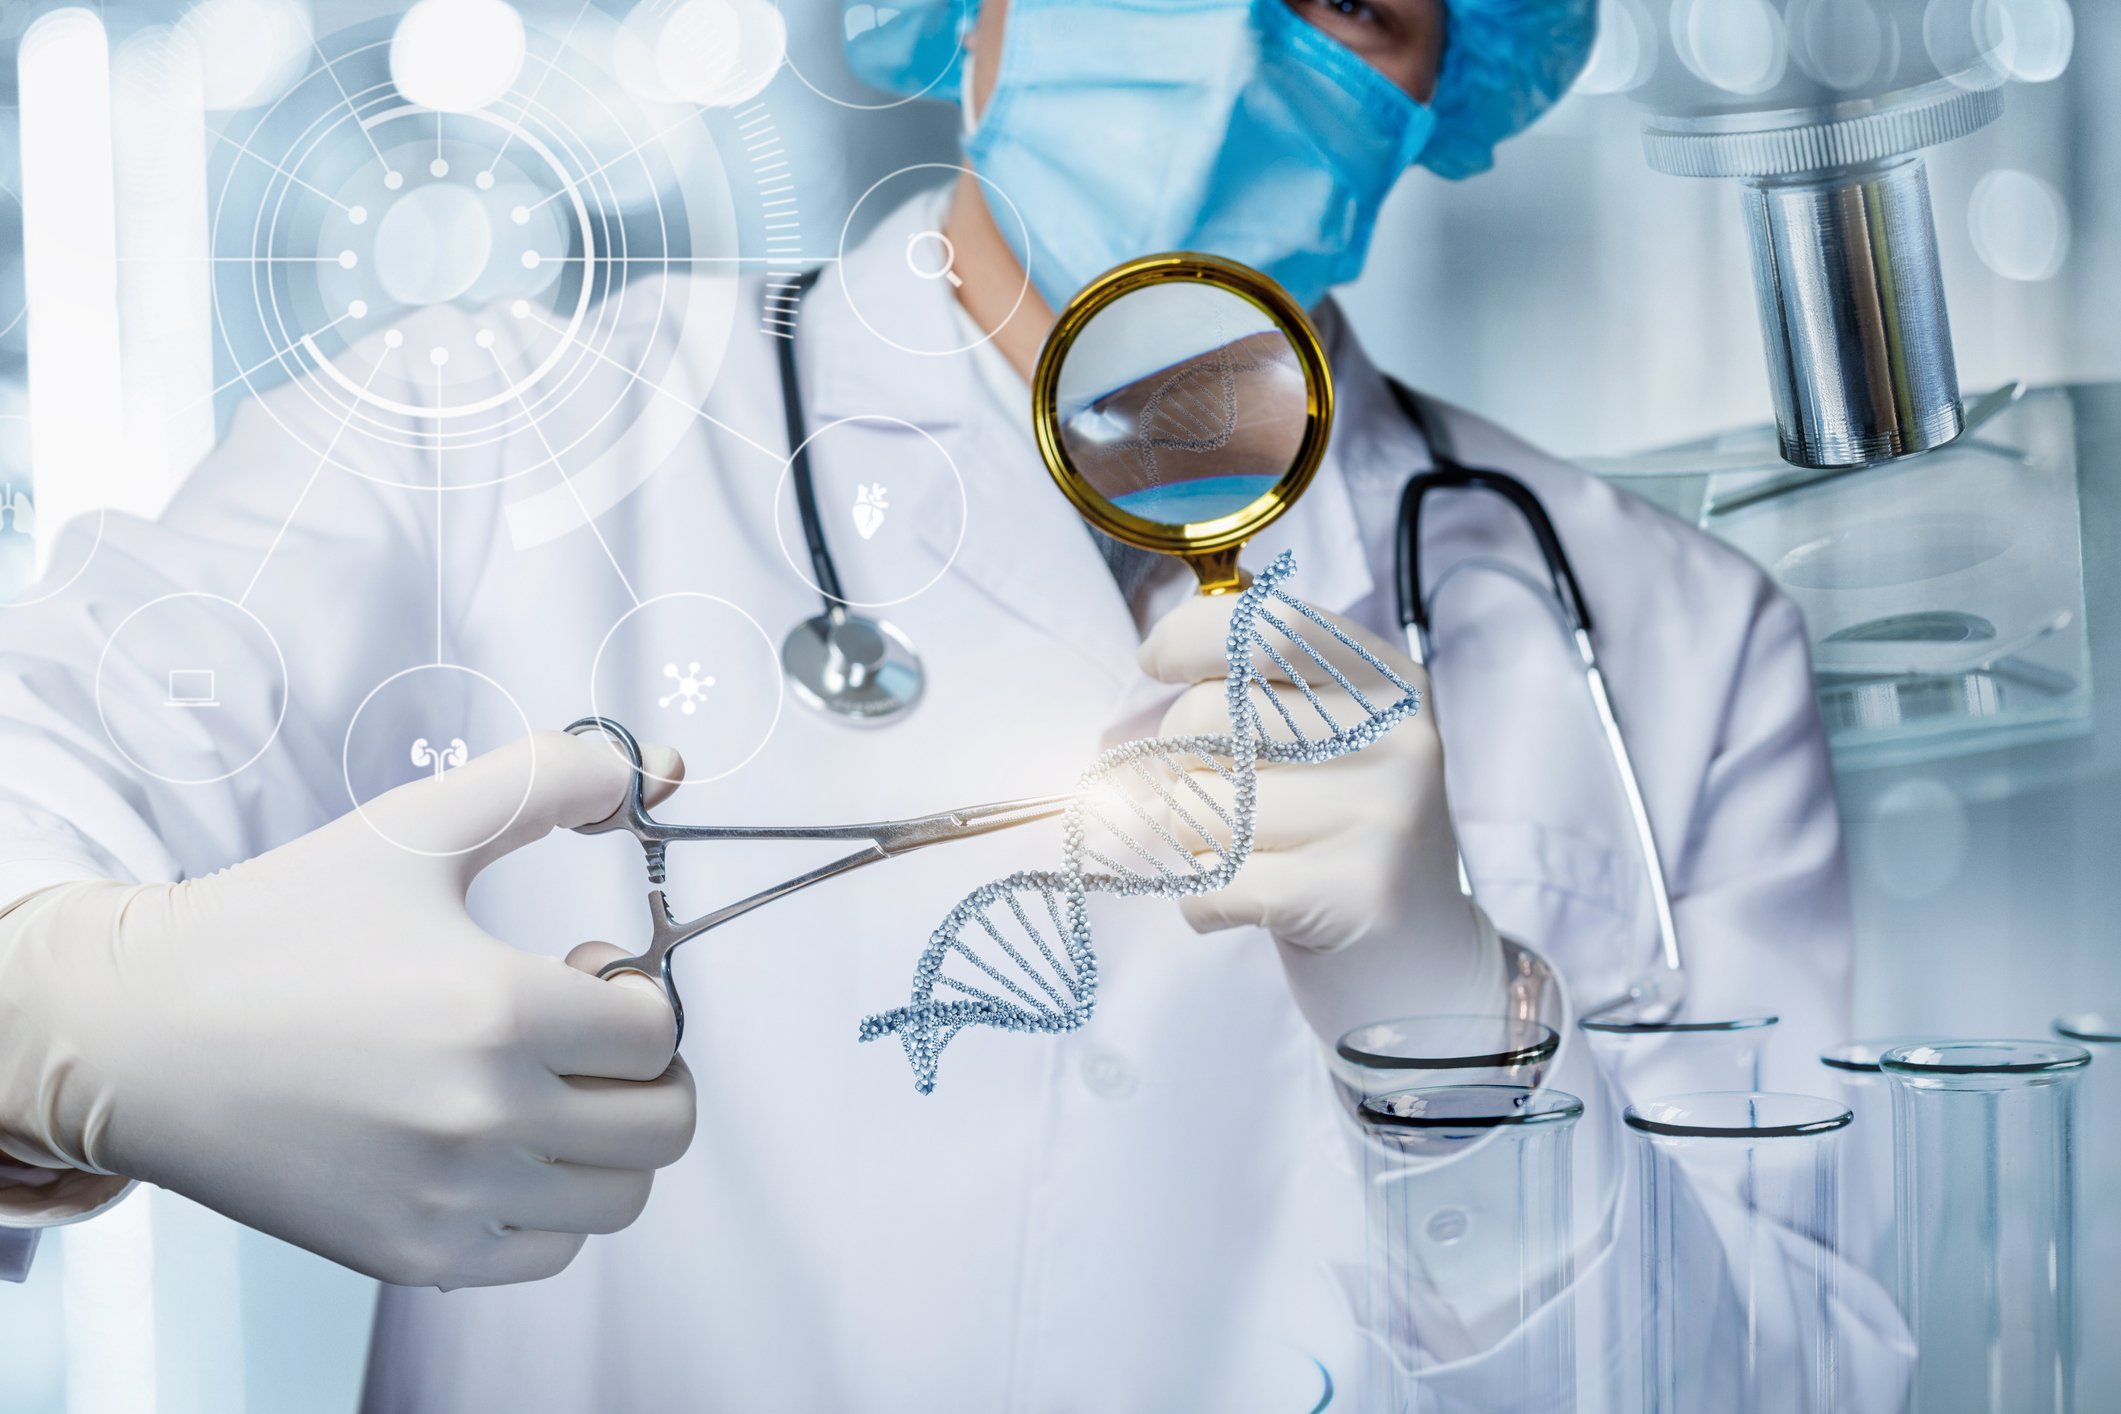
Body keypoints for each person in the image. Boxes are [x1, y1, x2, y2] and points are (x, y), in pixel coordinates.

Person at [0, 0, 1898, 1407]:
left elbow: (1794, 1377)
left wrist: (1465, 1055)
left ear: (1445, 78)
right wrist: (72, 1016)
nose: (1236, 48)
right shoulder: (487, 440)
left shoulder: (1662, 637)